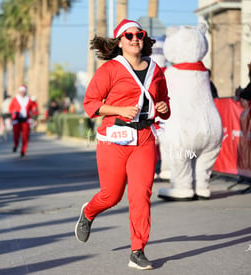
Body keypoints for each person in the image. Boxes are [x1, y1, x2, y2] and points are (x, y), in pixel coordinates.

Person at [75, 19, 170, 270]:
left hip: (145, 139)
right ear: (119, 41)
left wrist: (163, 108)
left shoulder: (155, 69)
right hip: (114, 139)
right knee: (112, 195)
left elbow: (164, 103)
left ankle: (137, 250)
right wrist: (119, 109)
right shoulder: (109, 70)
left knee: (141, 195)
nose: (135, 38)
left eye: (139, 34)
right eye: (129, 36)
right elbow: (90, 104)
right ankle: (89, 212)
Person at [9, 84, 33, 157]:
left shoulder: (29, 99)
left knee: (25, 136)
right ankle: (16, 145)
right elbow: (10, 108)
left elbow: (32, 108)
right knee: (16, 135)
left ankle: (23, 151)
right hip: (17, 119)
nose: (22, 92)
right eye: (21, 91)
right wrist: (14, 112)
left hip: (26, 120)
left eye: (23, 91)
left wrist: (32, 112)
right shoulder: (15, 99)